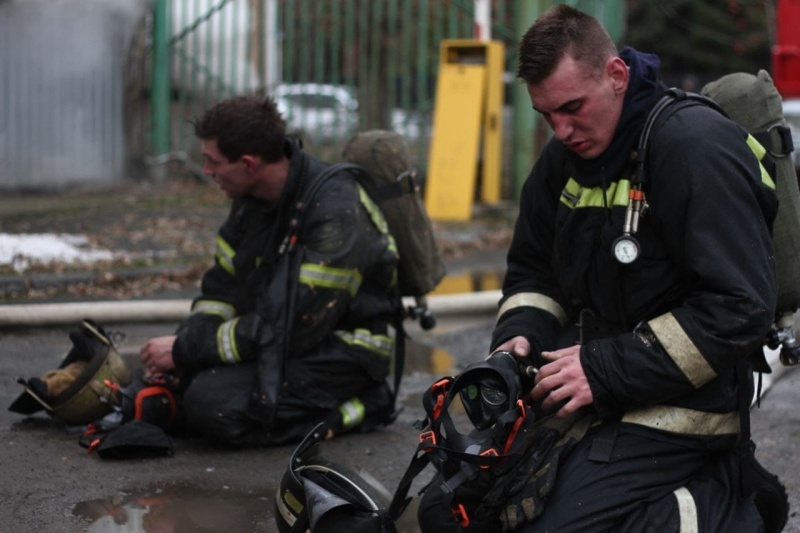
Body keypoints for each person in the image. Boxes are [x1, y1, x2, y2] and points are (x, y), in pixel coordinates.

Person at [419, 4, 780, 532]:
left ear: (616, 76)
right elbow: (533, 274)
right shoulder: (563, 162)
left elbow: (742, 307)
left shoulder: (693, 149)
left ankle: (733, 508)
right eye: (546, 115)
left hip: (681, 410)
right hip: (585, 394)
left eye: (572, 107)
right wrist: (517, 340)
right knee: (448, 515)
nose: (561, 130)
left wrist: (603, 367)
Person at [139, 95, 400, 447]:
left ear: (248, 164)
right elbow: (220, 290)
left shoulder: (336, 210)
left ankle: (365, 406)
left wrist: (188, 351)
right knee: (183, 380)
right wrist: (187, 348)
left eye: (212, 161)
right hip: (280, 338)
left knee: (213, 405)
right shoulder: (250, 203)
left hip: (344, 350)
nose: (207, 171)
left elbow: (296, 327)